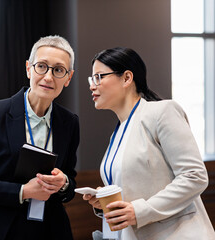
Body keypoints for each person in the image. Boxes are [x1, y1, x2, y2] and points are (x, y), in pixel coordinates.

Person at [83, 47, 215, 240]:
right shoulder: (118, 131)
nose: (92, 86)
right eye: (91, 79)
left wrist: (139, 211)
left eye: (99, 77)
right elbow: (136, 191)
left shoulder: (162, 112)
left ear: (127, 78)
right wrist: (107, 202)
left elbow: (194, 176)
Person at [0, 35, 79, 240]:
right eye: (41, 66)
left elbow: (70, 181)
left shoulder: (69, 122)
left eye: (58, 70)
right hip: (3, 231)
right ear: (28, 68)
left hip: (51, 230)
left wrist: (64, 183)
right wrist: (23, 191)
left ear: (68, 78)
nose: (49, 77)